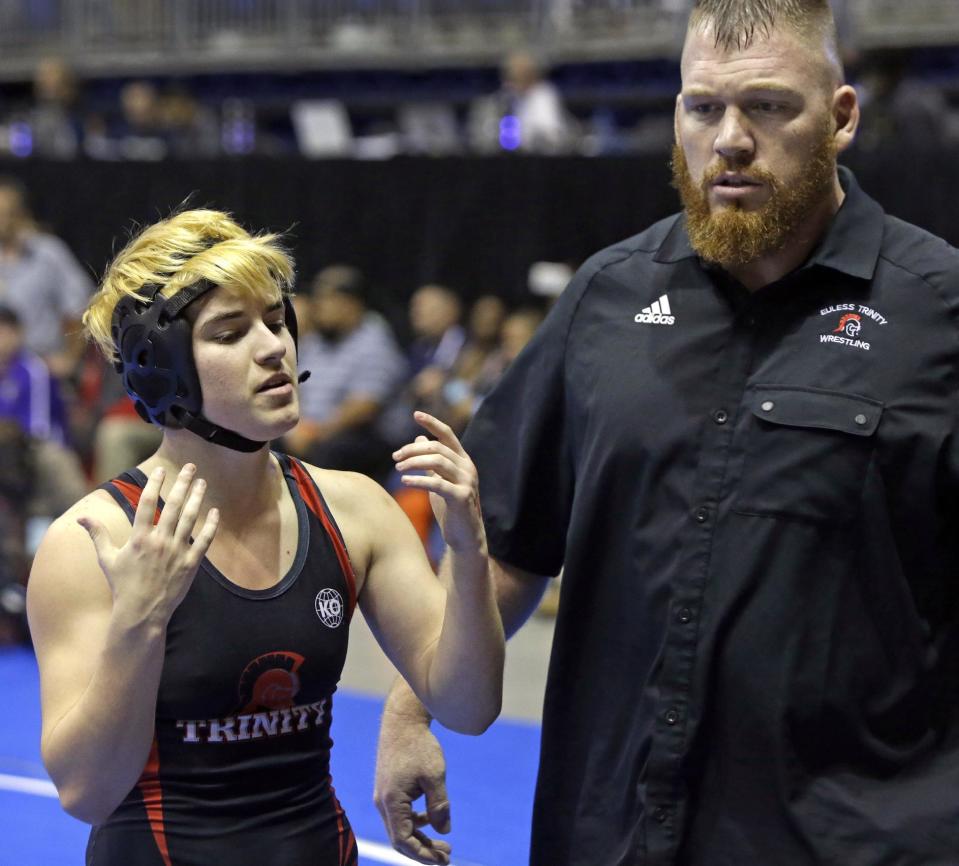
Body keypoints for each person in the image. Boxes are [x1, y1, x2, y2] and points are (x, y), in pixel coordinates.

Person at [374, 1, 959, 864]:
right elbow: (504, 539)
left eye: (767, 106)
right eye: (701, 107)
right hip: (612, 828)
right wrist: (407, 706)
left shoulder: (937, 313)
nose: (728, 139)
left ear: (839, 117)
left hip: (847, 837)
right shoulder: (606, 298)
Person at [25, 209, 504, 866]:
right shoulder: (94, 542)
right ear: (160, 368)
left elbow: (468, 705)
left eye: (277, 321)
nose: (273, 346)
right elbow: (85, 791)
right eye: (230, 333)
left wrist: (468, 553)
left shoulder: (353, 510)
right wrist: (139, 622)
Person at [282, 264, 407, 482]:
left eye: (324, 299)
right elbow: (295, 384)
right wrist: (295, 427)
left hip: (359, 439)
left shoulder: (375, 342)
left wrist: (314, 433)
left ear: (350, 304)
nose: (316, 307)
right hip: (311, 431)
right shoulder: (317, 341)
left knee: (332, 451)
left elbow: (364, 407)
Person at [0, 176, 94, 378]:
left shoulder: (47, 253)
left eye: (7, 213)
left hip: (41, 369)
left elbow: (81, 306)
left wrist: (70, 358)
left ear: (21, 213)